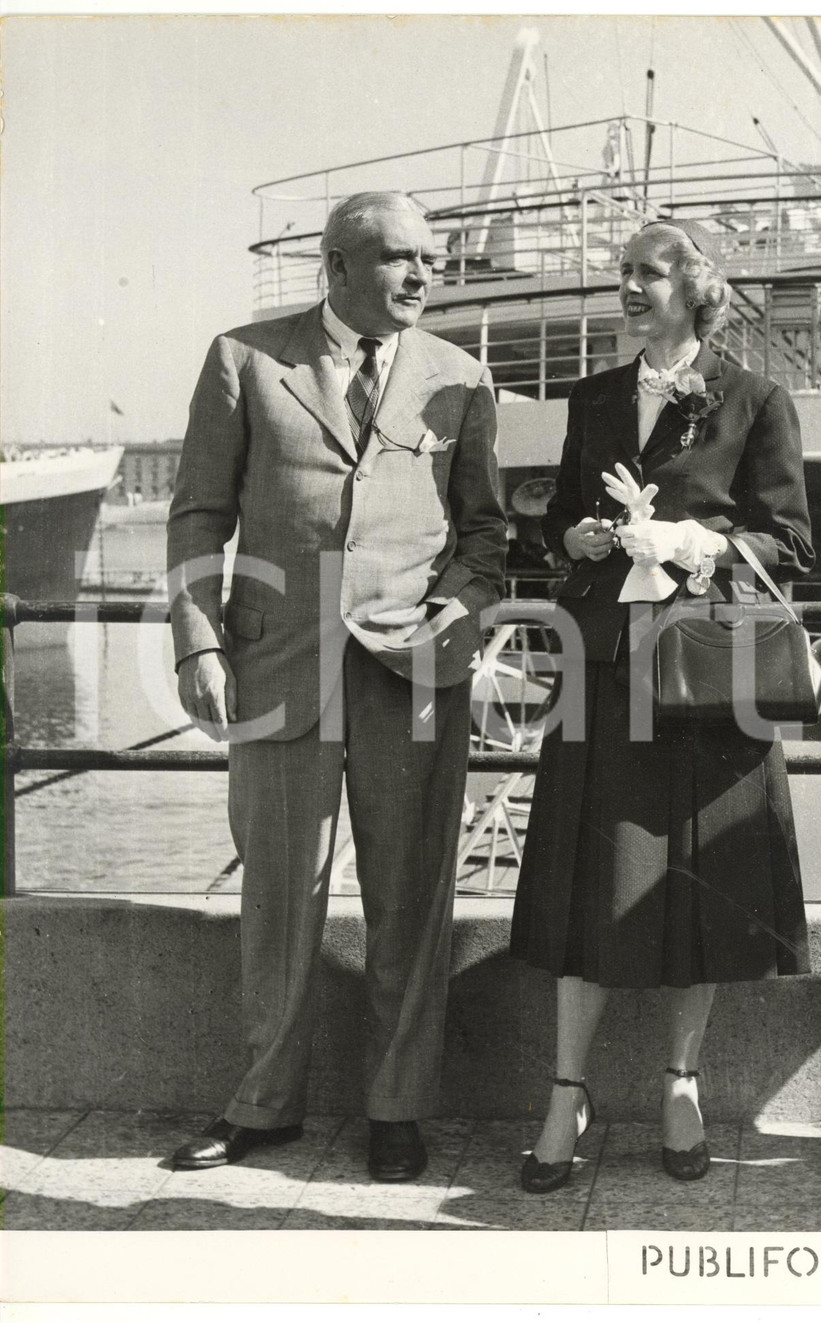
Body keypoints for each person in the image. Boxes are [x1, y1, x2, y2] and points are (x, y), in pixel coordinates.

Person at [166, 191, 507, 1179]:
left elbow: (484, 534)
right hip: (278, 661)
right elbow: (196, 516)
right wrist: (198, 646)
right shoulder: (245, 357)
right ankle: (263, 1105)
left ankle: (397, 1108)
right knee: (279, 896)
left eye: (431, 261)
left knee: (409, 894)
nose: (421, 277)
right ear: (338, 265)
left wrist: (464, 602)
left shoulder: (461, 376)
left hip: (414, 668)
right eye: (399, 259)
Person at [509, 219, 815, 1192]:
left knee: (694, 889)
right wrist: (589, 539)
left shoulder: (756, 400)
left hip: (702, 683)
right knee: (582, 885)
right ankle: (566, 1091)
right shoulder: (594, 398)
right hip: (603, 674)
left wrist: (688, 540)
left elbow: (789, 544)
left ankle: (680, 1084)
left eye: (648, 274)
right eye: (623, 275)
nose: (629, 289)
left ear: (695, 286)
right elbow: (557, 522)